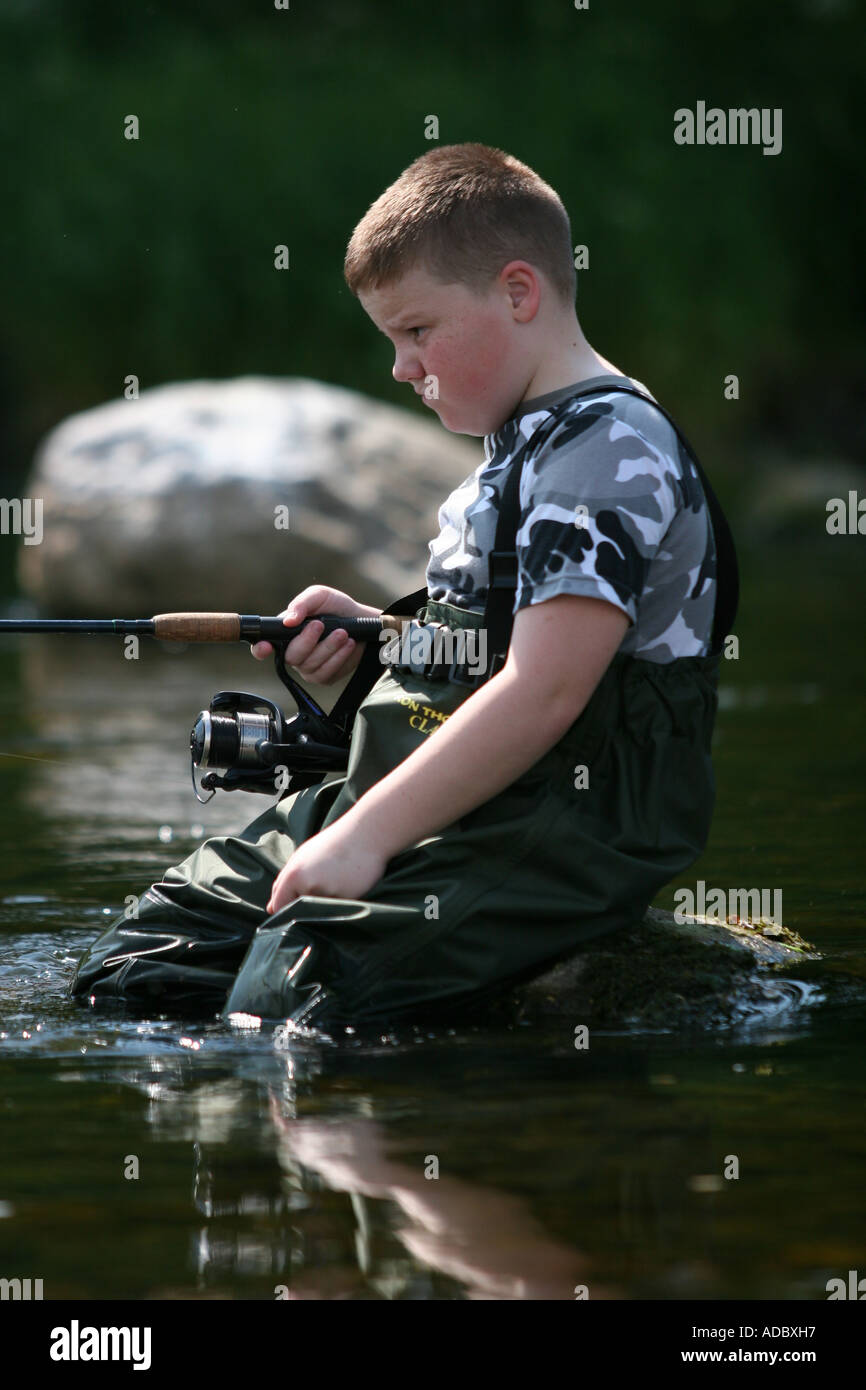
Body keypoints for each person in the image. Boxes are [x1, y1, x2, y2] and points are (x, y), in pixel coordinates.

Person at [69, 142, 737, 1030]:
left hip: (560, 821)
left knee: (293, 1003)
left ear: (518, 292)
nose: (400, 368)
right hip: (463, 791)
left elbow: (546, 689)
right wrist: (384, 640)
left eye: (417, 332)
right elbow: (498, 642)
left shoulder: (604, 454)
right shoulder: (527, 437)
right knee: (139, 965)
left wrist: (362, 839)